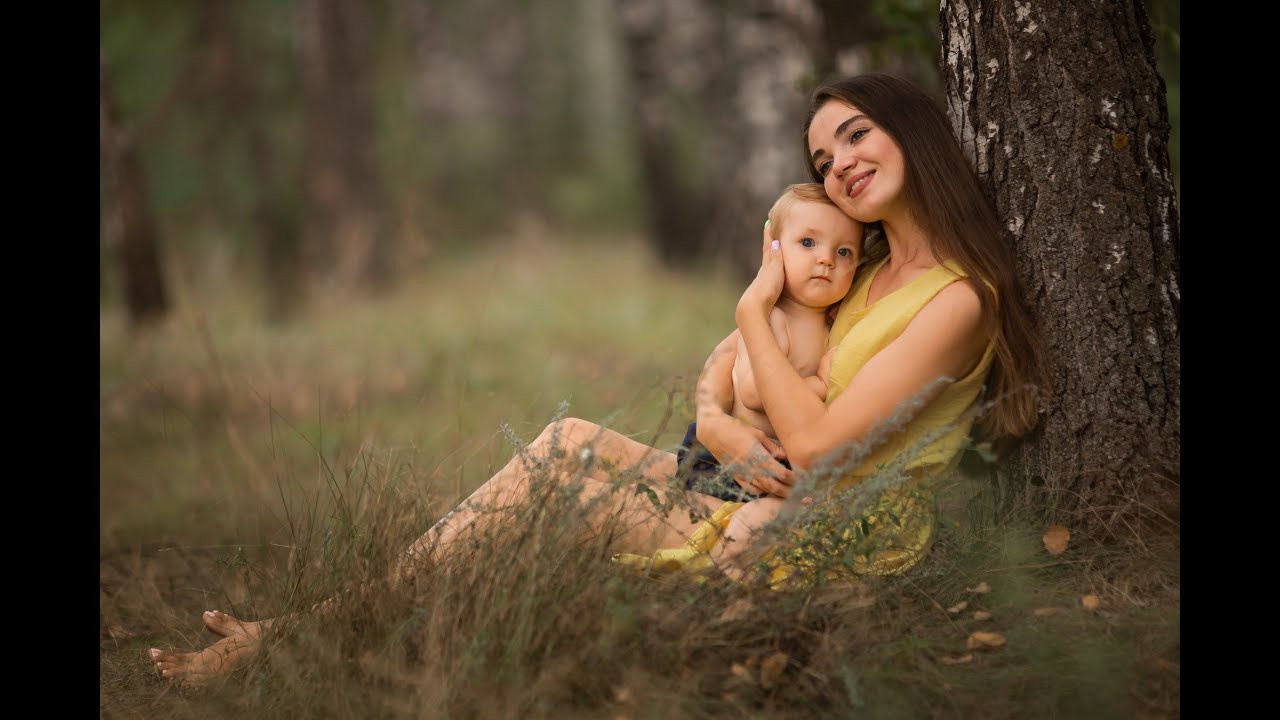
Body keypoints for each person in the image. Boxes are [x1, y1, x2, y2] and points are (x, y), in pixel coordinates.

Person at [147, 72, 1043, 687]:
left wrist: (745, 311)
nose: (837, 164)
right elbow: (737, 381)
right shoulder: (859, 266)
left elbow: (812, 442)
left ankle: (315, 644)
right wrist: (716, 420)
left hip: (834, 527)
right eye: (819, 160)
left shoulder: (956, 300)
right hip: (754, 484)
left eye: (854, 134)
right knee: (564, 443)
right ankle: (318, 629)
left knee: (553, 503)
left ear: (912, 131)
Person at [677, 182, 862, 503]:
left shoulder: (829, 322)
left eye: (843, 251)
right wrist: (820, 382)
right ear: (774, 252)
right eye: (808, 242)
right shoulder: (773, 317)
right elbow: (752, 391)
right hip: (723, 460)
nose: (826, 259)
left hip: (776, 458)